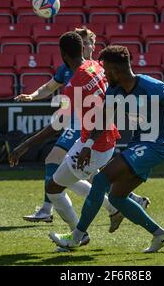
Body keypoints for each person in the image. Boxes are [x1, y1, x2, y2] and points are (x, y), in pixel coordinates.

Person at [49, 45, 164, 253]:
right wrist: (89, 145)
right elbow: (103, 118)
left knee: (101, 180)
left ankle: (77, 236)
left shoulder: (153, 87)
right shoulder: (115, 90)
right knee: (117, 197)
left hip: (155, 146)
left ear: (115, 71)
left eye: (106, 70)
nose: (104, 74)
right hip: (138, 145)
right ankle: (160, 235)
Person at [9, 34, 149, 241]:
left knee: (53, 188)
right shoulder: (96, 66)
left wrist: (25, 145)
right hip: (103, 138)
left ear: (63, 55)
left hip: (94, 145)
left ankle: (78, 235)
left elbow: (58, 124)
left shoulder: (73, 86)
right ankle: (112, 209)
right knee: (67, 176)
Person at [13, 28, 99, 223]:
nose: (84, 46)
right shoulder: (67, 69)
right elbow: (50, 87)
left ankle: (47, 209)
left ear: (93, 46)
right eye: (81, 43)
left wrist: (26, 144)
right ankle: (126, 202)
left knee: (55, 160)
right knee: (88, 171)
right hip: (75, 121)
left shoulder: (96, 68)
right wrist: (33, 96)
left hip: (85, 123)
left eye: (86, 43)